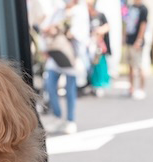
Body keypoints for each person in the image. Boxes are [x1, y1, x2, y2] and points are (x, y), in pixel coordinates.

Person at [43, 0, 90, 134]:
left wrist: (64, 28)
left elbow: (80, 33)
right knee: (50, 84)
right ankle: (57, 117)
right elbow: (46, 26)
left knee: (70, 88)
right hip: (56, 53)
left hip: (72, 55)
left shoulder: (80, 11)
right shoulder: (59, 10)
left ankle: (70, 120)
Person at [124, 0, 148, 100]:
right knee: (130, 66)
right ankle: (131, 88)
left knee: (139, 65)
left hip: (137, 41)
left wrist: (139, 40)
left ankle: (141, 89)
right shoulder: (130, 7)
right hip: (129, 39)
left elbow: (143, 25)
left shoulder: (143, 9)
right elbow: (126, 22)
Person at [87, 0, 111, 95]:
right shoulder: (86, 16)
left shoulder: (100, 15)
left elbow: (107, 26)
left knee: (100, 65)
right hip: (89, 45)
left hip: (99, 45)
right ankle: (92, 84)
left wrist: (99, 31)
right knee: (91, 66)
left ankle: (100, 85)